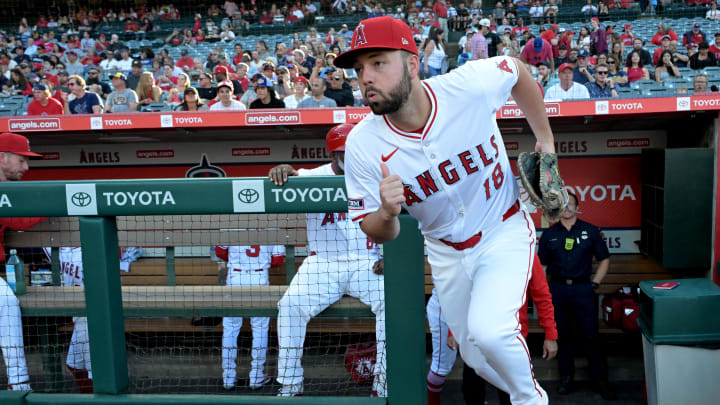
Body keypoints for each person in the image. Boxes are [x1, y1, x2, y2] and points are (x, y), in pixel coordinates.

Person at [336, 16, 553, 405]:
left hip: (502, 229)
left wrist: (546, 142)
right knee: (473, 354)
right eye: (359, 69)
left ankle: (531, 399)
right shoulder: (362, 145)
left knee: (491, 332)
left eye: (378, 63)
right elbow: (377, 230)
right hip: (445, 252)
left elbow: (518, 72)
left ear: (413, 64)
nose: (365, 77)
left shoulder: (467, 86)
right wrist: (386, 212)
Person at [269, 124, 386, 397]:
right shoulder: (312, 176)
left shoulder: (376, 175)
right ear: (334, 156)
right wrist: (285, 169)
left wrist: (387, 255)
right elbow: (289, 178)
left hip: (366, 262)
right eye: (345, 152)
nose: (353, 156)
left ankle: (383, 383)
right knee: (290, 305)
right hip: (323, 263)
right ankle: (289, 385)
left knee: (390, 302)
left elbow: (399, 217)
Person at [537, 192, 616, 400]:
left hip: (583, 290)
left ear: (577, 206)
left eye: (570, 204)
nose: (567, 208)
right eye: (563, 204)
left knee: (591, 337)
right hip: (558, 291)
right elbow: (542, 266)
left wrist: (595, 283)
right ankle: (566, 379)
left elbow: (604, 259)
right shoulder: (549, 234)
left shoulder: (590, 231)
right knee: (562, 336)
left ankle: (600, 382)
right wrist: (546, 291)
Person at [459, 253, 558, 405]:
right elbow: (462, 294)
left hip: (511, 336)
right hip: (477, 335)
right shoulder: (477, 249)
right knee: (472, 391)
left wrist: (550, 334)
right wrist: (454, 330)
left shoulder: (526, 251)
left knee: (511, 395)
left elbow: (542, 295)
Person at [40, 247, 142, 393]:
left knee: (96, 370)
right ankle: (89, 395)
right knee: (74, 364)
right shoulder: (57, 245)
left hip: (96, 312)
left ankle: (101, 398)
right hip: (79, 311)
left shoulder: (98, 242)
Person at [0, 133, 46, 392]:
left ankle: (18, 383)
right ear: (3, 157)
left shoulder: (7, 189)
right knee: (5, 301)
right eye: (21, 160)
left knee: (5, 300)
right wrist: (55, 203)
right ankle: (18, 383)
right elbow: (20, 221)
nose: (26, 168)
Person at [215, 245, 284, 390]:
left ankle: (228, 377)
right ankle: (256, 376)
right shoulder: (273, 224)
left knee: (230, 329)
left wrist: (239, 259)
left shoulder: (231, 222)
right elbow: (278, 260)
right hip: (259, 277)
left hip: (235, 277)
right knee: (260, 329)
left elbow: (220, 252)